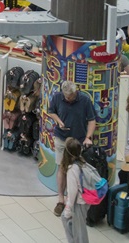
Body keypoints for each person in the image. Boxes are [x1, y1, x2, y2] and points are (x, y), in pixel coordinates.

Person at [50, 81, 96, 217]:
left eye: (70, 96)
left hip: (77, 142)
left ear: (75, 92)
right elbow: (51, 111)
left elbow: (92, 120)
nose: (68, 99)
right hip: (61, 139)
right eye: (66, 97)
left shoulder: (85, 100)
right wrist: (58, 121)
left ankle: (73, 200)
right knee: (61, 168)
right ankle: (60, 199)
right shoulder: (58, 97)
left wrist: (88, 137)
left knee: (76, 171)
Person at [59, 138, 90, 243]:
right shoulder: (82, 162)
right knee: (76, 226)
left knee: (79, 232)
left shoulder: (72, 169)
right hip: (85, 200)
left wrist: (67, 210)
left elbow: (72, 192)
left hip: (79, 202)